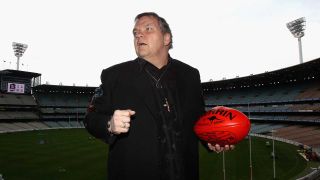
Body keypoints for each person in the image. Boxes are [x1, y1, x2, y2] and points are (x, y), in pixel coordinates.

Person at [84, 12, 233, 180]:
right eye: (135, 32)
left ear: (166, 39)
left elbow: (197, 119)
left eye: (148, 29)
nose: (139, 34)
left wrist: (210, 140)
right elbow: (90, 117)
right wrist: (109, 124)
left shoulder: (190, 75)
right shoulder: (114, 76)